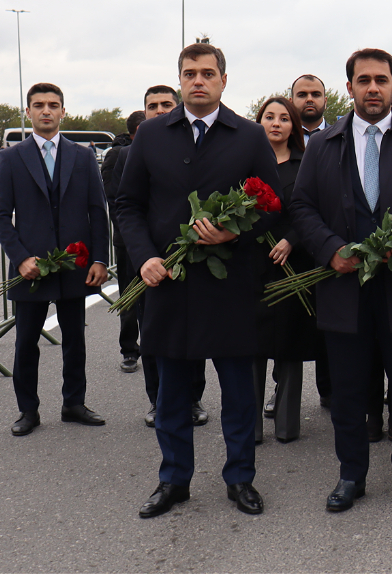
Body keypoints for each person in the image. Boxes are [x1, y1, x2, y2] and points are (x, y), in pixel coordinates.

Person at [119, 43, 281, 518]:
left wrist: (236, 230)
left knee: (238, 394)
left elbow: (272, 206)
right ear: (179, 79)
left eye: (208, 73)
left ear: (223, 81)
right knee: (171, 395)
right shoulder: (151, 135)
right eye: (190, 73)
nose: (198, 81)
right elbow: (128, 205)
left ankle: (240, 478)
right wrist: (144, 257)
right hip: (168, 283)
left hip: (229, 286)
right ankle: (174, 480)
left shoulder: (249, 136)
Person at [289, 48, 392, 513]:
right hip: (344, 289)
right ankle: (351, 475)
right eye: (364, 80)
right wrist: (329, 250)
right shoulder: (324, 145)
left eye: (382, 80)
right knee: (348, 393)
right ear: (350, 88)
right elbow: (302, 207)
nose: (373, 88)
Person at [0, 82, 110, 437]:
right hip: (30, 269)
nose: (46, 110)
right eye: (39, 105)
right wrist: (20, 258)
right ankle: (28, 410)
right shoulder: (11, 158)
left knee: (75, 340)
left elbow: (97, 211)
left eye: (53, 105)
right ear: (28, 112)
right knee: (26, 342)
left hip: (75, 266)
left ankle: (74, 403)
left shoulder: (83, 156)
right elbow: (0, 215)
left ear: (63, 111)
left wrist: (100, 259)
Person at [113, 85, 209, 428]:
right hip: (145, 259)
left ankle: (193, 397)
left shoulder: (198, 145)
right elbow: (123, 204)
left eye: (166, 104)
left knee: (194, 330)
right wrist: (143, 255)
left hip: (193, 254)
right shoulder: (127, 153)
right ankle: (158, 400)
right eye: (152, 106)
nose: (159, 110)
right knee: (152, 331)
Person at [251, 97, 320, 444]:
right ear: (259, 122)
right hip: (254, 263)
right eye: (269, 117)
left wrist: (292, 240)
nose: (276, 123)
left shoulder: (306, 164)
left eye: (284, 118)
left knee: (290, 343)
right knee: (251, 345)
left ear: (294, 126)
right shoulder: (247, 163)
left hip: (294, 263)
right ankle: (249, 427)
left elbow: (315, 210)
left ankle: (287, 425)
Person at [100, 110, 146, 373]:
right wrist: (133, 234)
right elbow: (115, 200)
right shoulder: (117, 155)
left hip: (157, 240)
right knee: (129, 296)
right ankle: (129, 349)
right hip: (128, 240)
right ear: (135, 132)